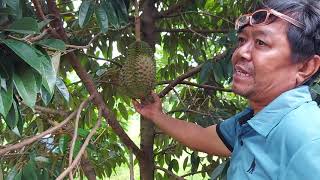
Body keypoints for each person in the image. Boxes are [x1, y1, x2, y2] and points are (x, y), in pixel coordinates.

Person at [133, 0, 320, 179]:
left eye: (261, 43)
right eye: (241, 40)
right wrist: (157, 115)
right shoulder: (253, 121)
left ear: (305, 67)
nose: (241, 53)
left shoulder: (308, 139)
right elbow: (202, 137)